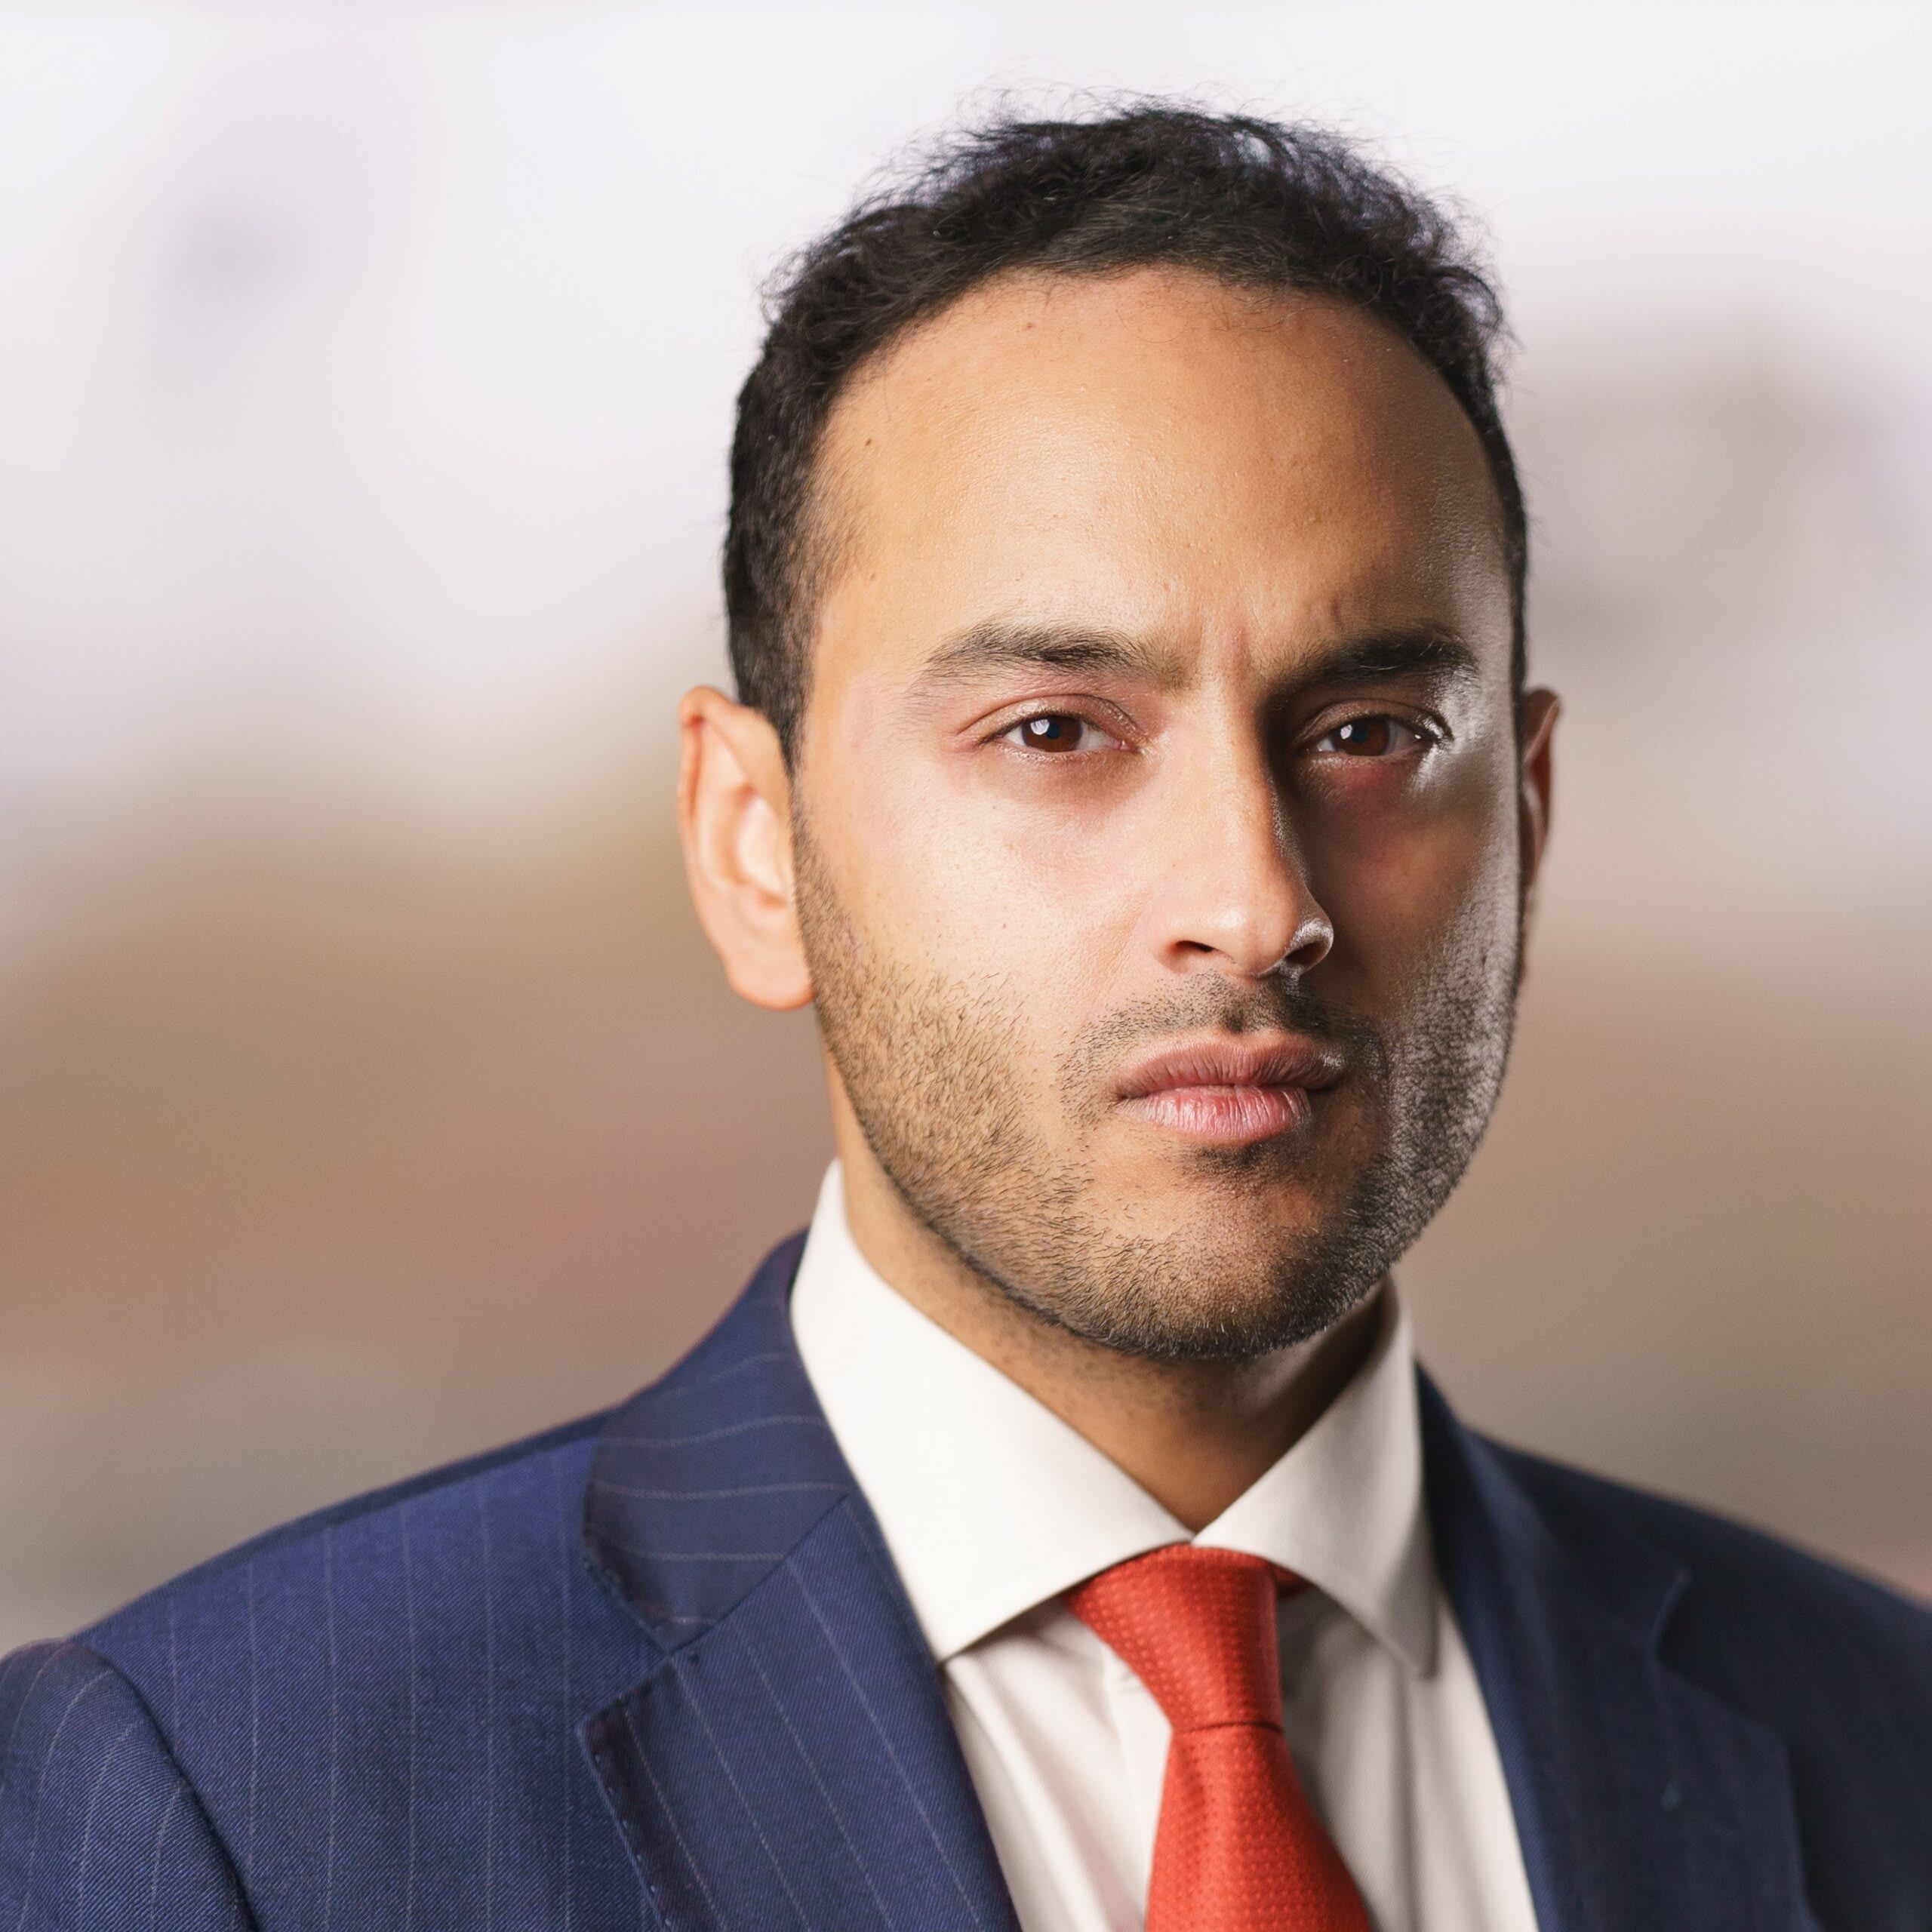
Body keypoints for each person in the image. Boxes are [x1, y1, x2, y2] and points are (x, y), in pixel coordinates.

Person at [2, 103, 1927, 1932]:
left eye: (1367, 732)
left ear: (1526, 815)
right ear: (753, 845)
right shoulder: (223, 1804)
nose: (1251, 899)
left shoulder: (1885, 1743)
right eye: (1054, 730)